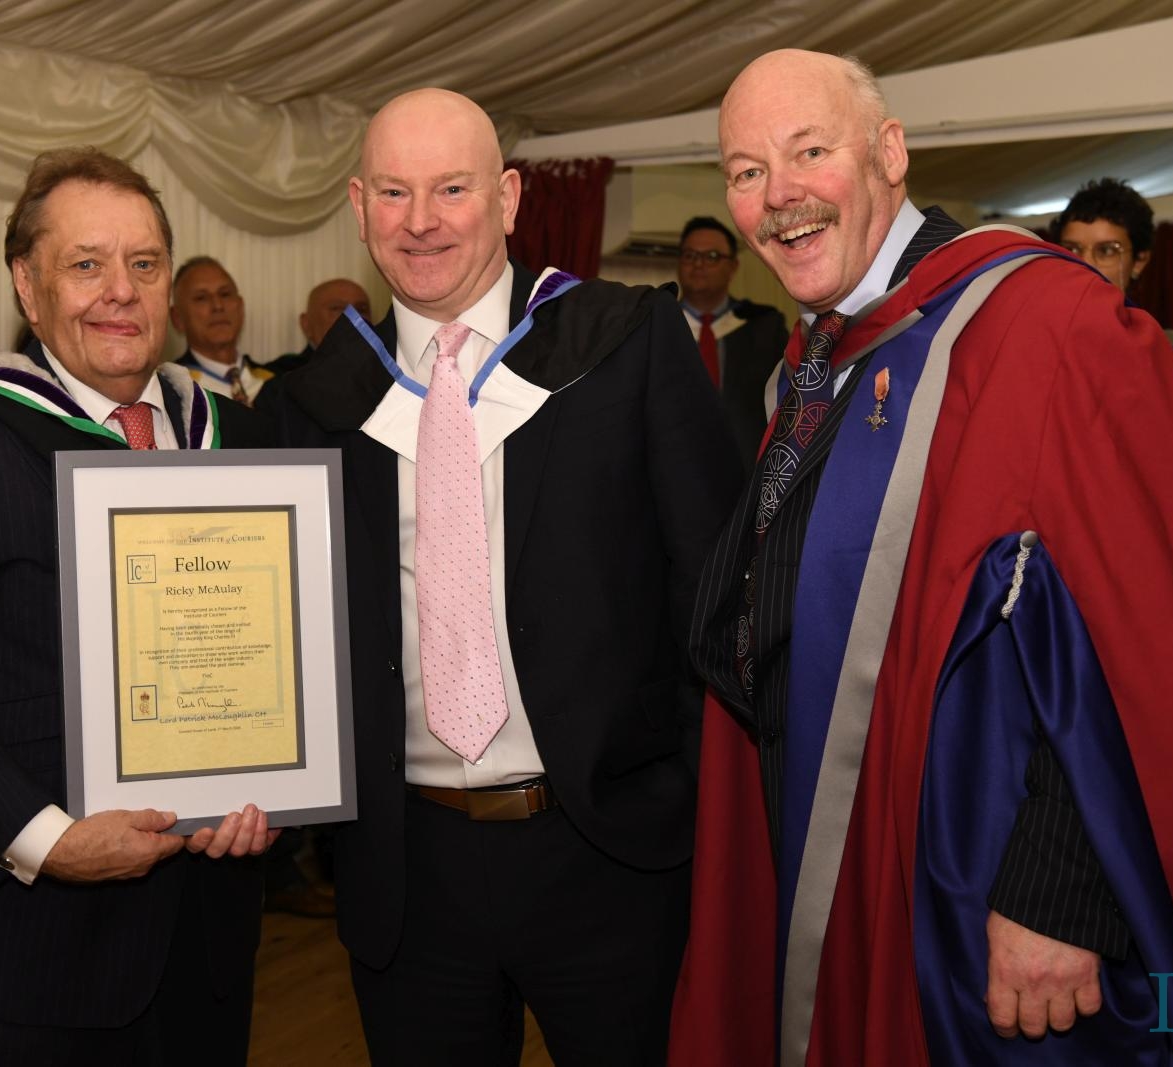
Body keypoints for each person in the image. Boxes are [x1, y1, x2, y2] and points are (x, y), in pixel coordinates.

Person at [672, 50, 1173, 1067]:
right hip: (829, 848)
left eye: (809, 152)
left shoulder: (1051, 325)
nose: (778, 195)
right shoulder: (817, 358)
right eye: (746, 171)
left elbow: (1151, 623)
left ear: (889, 153)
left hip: (971, 889)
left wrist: (1063, 891)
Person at [275, 88, 738, 1066]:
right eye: (393, 192)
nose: (421, 220)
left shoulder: (625, 345)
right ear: (358, 207)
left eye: (452, 188)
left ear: (510, 197)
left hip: (608, 851)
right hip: (410, 867)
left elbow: (713, 587)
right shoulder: (311, 403)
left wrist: (694, 800)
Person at [0, 147, 276, 1066]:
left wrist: (280, 788)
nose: (120, 290)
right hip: (20, 954)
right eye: (86, 264)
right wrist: (47, 839)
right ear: (27, 287)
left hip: (204, 940)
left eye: (144, 263)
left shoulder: (239, 436)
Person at [1050, 177, 1173, 477]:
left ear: (1139, 261)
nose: (1085, 264)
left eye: (1107, 250)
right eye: (1072, 249)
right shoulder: (1041, 352)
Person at [675, 216, 788, 481]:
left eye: (712, 256)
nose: (699, 264)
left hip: (748, 476)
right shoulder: (654, 327)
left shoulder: (765, 327)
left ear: (733, 266)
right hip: (675, 475)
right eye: (690, 255)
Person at [170, 256, 273, 405]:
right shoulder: (170, 390)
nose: (218, 305)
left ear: (241, 307)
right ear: (177, 318)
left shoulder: (275, 381)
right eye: (201, 298)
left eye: (225, 294)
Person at [265, 278, 374, 374]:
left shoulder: (380, 372)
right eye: (337, 308)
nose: (354, 317)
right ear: (306, 324)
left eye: (362, 309)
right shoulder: (282, 378)